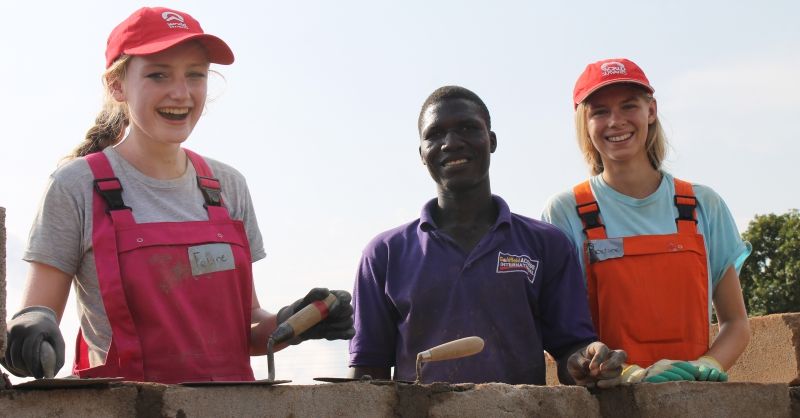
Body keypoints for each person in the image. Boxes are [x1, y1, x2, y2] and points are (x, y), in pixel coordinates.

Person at [1, 6, 353, 384]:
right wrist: (31, 330)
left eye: (195, 75)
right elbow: (37, 317)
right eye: (158, 75)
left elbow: (246, 330)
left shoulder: (226, 186)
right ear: (117, 86)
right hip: (126, 410)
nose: (181, 93)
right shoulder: (76, 186)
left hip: (231, 409)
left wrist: (293, 321)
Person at [348, 85, 626, 386]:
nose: (451, 143)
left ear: (491, 141)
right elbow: (368, 372)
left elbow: (570, 350)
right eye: (435, 134)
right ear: (421, 153)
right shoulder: (384, 255)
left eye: (467, 128)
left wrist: (587, 362)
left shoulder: (546, 244)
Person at [541, 58, 751, 383]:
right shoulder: (566, 212)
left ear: (651, 111)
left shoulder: (701, 205)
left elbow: (736, 323)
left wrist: (706, 364)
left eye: (629, 106)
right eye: (599, 111)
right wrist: (625, 375)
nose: (616, 122)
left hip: (694, 400)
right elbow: (562, 334)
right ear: (584, 122)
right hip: (607, 403)